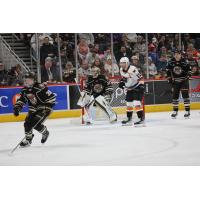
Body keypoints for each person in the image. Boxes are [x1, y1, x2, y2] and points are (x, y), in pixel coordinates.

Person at [13, 72, 56, 147]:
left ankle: (45, 132)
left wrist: (47, 107)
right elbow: (22, 99)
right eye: (25, 79)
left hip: (44, 109)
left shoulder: (40, 88)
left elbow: (52, 98)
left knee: (35, 123)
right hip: (33, 109)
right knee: (27, 124)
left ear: (34, 80)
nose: (26, 81)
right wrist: (17, 107)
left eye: (29, 79)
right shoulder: (24, 90)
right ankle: (28, 140)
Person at [119, 57, 145, 125]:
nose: (122, 64)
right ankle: (129, 118)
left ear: (127, 63)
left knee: (136, 102)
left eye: (123, 63)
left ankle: (141, 118)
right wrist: (121, 82)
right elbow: (124, 77)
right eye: (121, 63)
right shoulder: (121, 69)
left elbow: (141, 78)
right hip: (129, 88)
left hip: (137, 86)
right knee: (129, 103)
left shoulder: (133, 69)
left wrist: (141, 86)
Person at [166, 50, 192, 119]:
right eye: (175, 54)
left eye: (178, 54)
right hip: (175, 82)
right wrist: (169, 78)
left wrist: (188, 76)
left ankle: (187, 111)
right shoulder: (170, 62)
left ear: (181, 55)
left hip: (184, 81)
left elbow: (189, 71)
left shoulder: (185, 61)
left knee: (185, 95)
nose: (177, 55)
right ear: (174, 55)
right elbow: (168, 71)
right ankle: (175, 111)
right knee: (175, 96)